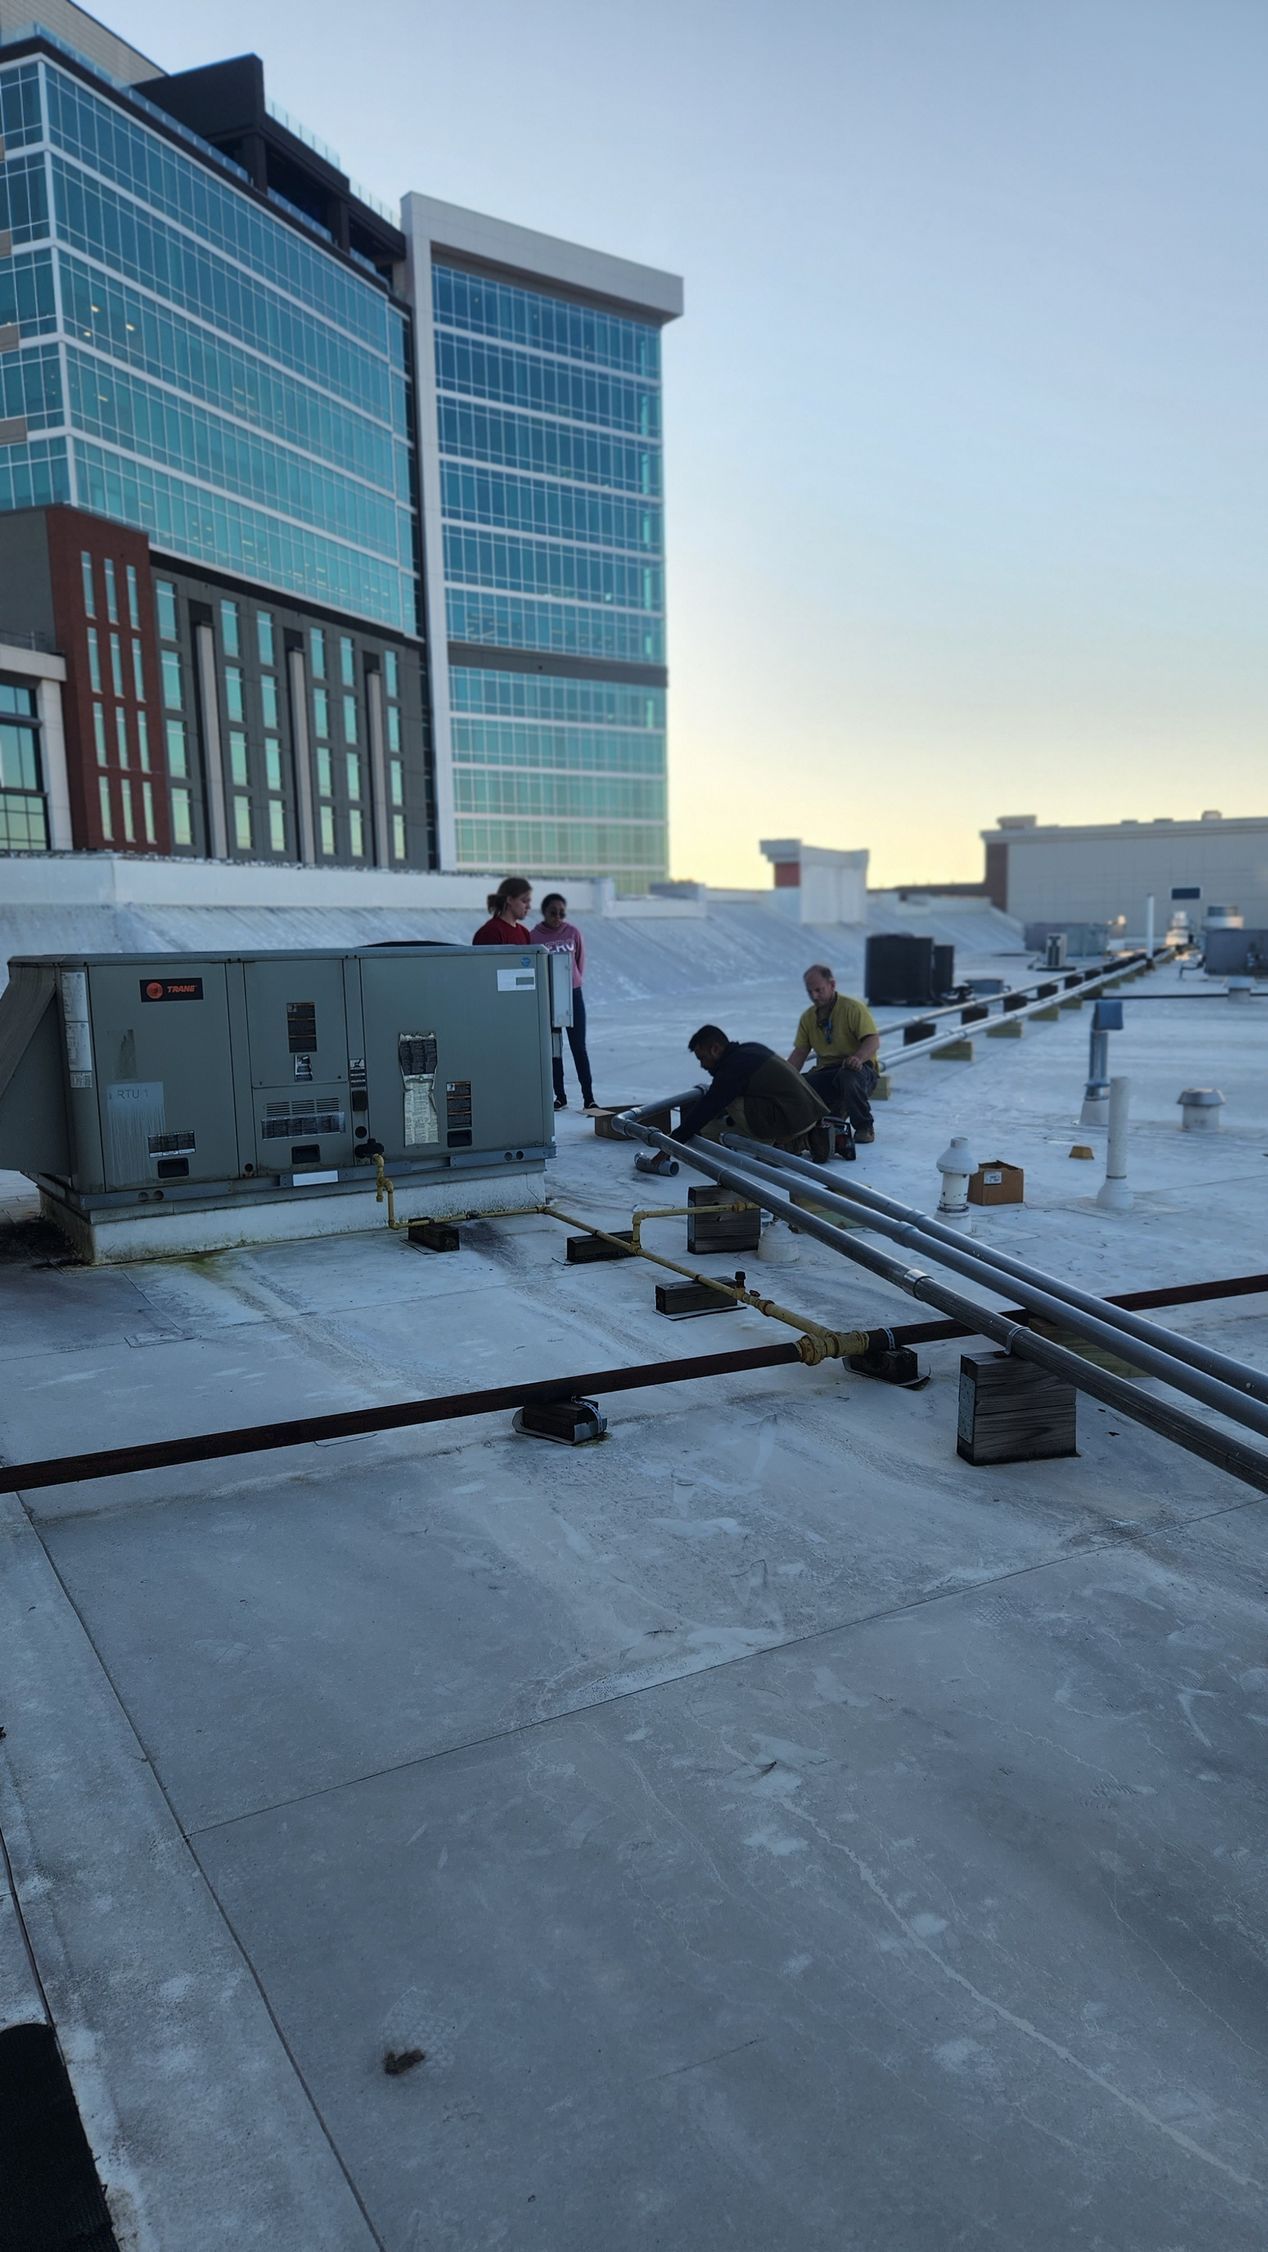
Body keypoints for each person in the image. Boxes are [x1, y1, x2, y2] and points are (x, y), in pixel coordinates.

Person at [674, 1026, 830, 1157]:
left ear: (715, 1049)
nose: (702, 1065)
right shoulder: (750, 1049)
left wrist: (672, 1143)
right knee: (724, 1101)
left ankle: (774, 1143)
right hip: (811, 1114)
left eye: (702, 1058)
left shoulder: (733, 1068)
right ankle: (792, 1139)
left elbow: (708, 1107)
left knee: (712, 1125)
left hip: (796, 1118)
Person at [787, 965, 880, 1143]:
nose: (814, 996)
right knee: (801, 1086)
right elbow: (800, 1052)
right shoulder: (808, 1017)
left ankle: (864, 1127)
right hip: (828, 1071)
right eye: (810, 991)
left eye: (819, 990)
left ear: (832, 984)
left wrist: (858, 1058)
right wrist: (786, 1077)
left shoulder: (852, 1008)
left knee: (848, 1077)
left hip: (859, 1070)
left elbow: (872, 1040)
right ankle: (826, 1118)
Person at [529, 892, 599, 1114]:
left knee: (579, 1046)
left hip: (572, 994)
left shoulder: (572, 932)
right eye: (552, 912)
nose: (557, 917)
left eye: (561, 913)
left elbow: (580, 961)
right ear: (544, 912)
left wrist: (574, 981)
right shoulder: (534, 936)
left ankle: (589, 1098)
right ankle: (560, 1096)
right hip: (549, 997)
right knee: (555, 1049)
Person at [472, 877, 533, 947]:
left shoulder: (525, 933)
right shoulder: (490, 932)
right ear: (509, 900)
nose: (529, 907)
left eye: (529, 901)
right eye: (524, 901)